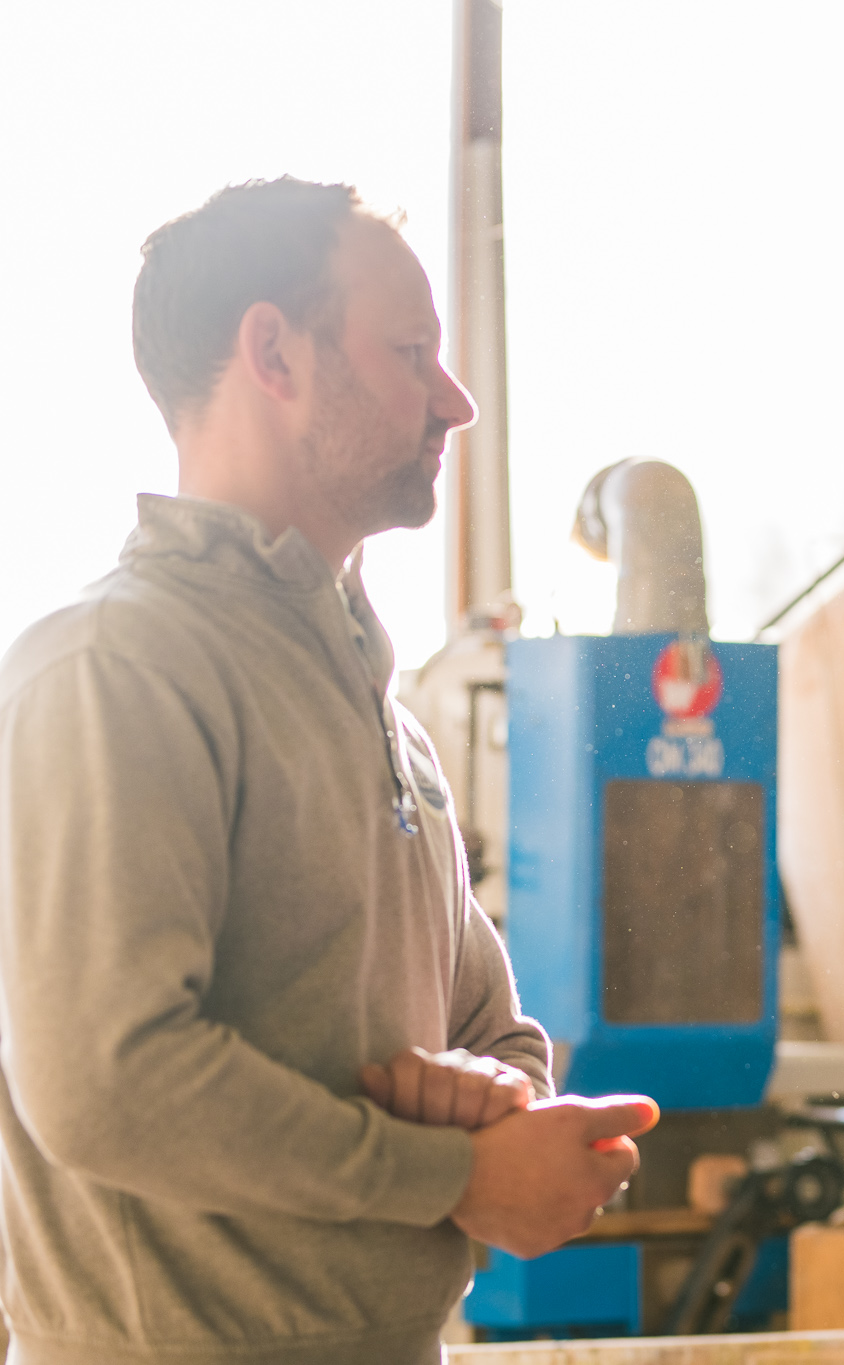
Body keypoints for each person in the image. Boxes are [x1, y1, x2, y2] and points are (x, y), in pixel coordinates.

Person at [0, 177, 656, 1365]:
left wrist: (494, 1112)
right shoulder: (117, 668)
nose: (453, 402)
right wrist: (452, 1168)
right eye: (411, 352)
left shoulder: (380, 716)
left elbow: (497, 1035)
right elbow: (107, 1084)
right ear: (274, 353)